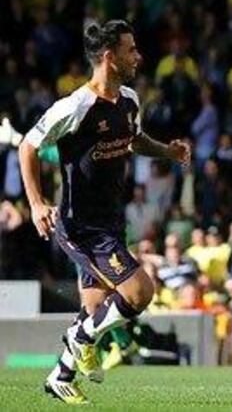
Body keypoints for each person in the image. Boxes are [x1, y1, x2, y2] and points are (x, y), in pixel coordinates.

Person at [19, 20, 191, 404]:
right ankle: (80, 340)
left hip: (111, 223)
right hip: (80, 225)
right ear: (110, 57)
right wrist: (35, 203)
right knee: (139, 291)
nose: (139, 56)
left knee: (95, 312)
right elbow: (28, 147)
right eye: (131, 50)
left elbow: (133, 139)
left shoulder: (129, 99)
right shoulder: (75, 106)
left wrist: (167, 151)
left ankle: (61, 376)